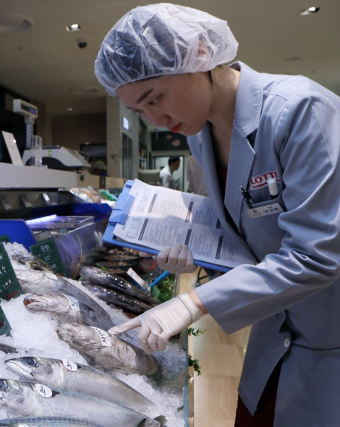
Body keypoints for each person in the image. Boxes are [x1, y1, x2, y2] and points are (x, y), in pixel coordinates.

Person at [95, 4, 340, 426]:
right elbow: (250, 229)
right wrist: (204, 248)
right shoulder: (200, 134)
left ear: (203, 56)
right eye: (140, 111)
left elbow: (318, 255)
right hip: (275, 330)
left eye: (156, 98)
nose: (156, 119)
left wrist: (193, 302)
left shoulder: (300, 111)